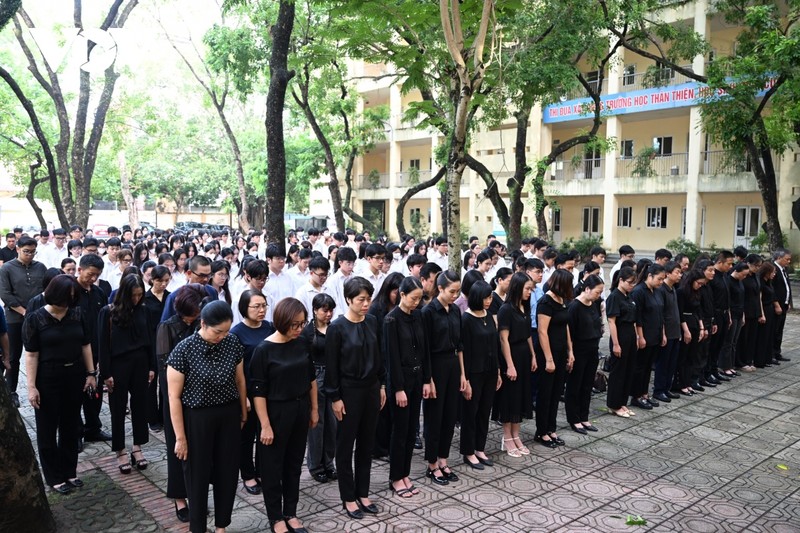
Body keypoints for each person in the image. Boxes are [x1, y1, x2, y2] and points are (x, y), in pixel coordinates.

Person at [167, 301, 247, 533]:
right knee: (197, 474)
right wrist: (180, 438)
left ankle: (222, 525)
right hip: (197, 418)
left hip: (229, 414)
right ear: (203, 324)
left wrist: (242, 411)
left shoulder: (232, 342)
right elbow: (174, 397)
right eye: (217, 331)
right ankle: (197, 527)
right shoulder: (184, 350)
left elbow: (240, 380)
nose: (222, 336)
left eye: (226, 331)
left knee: (228, 471)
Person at [24, 274, 98, 494]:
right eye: (66, 296)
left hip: (74, 375)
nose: (68, 301)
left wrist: (91, 373)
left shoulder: (77, 314)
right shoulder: (36, 318)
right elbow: (31, 355)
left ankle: (69, 471)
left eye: (72, 297)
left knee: (70, 426)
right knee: (47, 428)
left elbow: (86, 344)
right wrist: (31, 386)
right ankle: (54, 476)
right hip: (47, 378)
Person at [250, 298, 318, 533]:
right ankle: (275, 517)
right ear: (282, 321)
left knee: (293, 464)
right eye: (295, 325)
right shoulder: (264, 350)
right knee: (272, 468)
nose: (299, 329)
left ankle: (291, 512)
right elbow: (257, 392)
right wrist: (265, 425)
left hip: (300, 408)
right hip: (275, 413)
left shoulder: (301, 343)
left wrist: (314, 409)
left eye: (302, 324)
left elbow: (311, 379)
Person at [325, 277, 387, 520]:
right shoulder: (337, 328)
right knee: (345, 444)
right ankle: (348, 496)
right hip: (348, 391)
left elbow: (379, 356)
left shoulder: (372, 322)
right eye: (361, 299)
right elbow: (332, 367)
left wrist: (381, 385)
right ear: (348, 299)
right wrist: (335, 397)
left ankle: (363, 492)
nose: (365, 304)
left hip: (372, 387)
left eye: (368, 299)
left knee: (366, 442)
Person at [156, 284, 206, 522]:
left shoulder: (201, 325)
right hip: (175, 397)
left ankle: (197, 495)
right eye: (190, 314)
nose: (193, 319)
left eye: (196, 315)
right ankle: (179, 497)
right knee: (178, 447)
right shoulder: (166, 328)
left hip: (201, 397)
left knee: (199, 451)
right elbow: (165, 369)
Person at [98, 274, 155, 474]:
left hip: (140, 362)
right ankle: (120, 449)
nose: (136, 299)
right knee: (118, 407)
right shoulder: (108, 312)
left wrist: (151, 367)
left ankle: (138, 446)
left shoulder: (144, 311)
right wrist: (106, 373)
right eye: (133, 295)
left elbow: (151, 340)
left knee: (140, 406)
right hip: (118, 364)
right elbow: (103, 345)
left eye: (140, 295)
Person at [384, 276, 428, 497]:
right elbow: (391, 359)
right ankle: (395, 477)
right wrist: (398, 388)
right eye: (413, 298)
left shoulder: (419, 316)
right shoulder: (391, 320)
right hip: (400, 384)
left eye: (420, 299)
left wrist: (427, 380)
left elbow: (424, 350)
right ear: (402, 295)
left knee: (412, 431)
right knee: (400, 431)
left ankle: (405, 473)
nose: (417, 303)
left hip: (417, 379)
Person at [230, 290, 275, 495]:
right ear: (244, 308)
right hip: (247, 392)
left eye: (263, 305)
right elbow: (233, 369)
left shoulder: (269, 327)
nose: (261, 310)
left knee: (265, 433)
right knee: (246, 437)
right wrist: (243, 397)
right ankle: (247, 475)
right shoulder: (236, 333)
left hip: (269, 391)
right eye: (256, 306)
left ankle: (263, 470)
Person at [421, 271, 464, 485]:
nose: (455, 295)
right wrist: (427, 379)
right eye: (451, 291)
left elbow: (461, 344)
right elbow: (425, 349)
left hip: (453, 365)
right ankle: (431, 464)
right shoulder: (428, 312)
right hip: (435, 367)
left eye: (458, 291)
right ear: (440, 288)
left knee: (450, 416)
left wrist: (463, 375)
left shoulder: (455, 310)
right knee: (434, 417)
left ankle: (443, 459)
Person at [0, 235, 48, 408]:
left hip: (38, 317)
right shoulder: (7, 268)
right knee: (13, 357)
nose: (29, 255)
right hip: (14, 318)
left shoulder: (40, 267)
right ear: (18, 249)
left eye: (33, 252)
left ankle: (39, 386)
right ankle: (11, 391)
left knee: (40, 352)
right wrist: (24, 311)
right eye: (26, 251)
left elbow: (46, 289)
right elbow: (5, 293)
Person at [459, 280, 500, 468]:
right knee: (470, 413)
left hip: (490, 371)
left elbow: (495, 345)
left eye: (491, 297)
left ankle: (479, 448)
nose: (489, 301)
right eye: (486, 297)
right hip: (473, 373)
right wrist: (465, 379)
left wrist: (498, 371)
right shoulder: (466, 319)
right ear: (476, 297)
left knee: (485, 411)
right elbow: (463, 351)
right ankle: (468, 451)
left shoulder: (490, 316)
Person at [300, 293, 338, 484]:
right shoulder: (307, 331)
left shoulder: (335, 328)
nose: (328, 314)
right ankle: (316, 465)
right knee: (317, 423)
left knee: (332, 424)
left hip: (333, 376)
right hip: (316, 375)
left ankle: (329, 463)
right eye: (324, 310)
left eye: (331, 310)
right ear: (315, 310)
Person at [533, 269, 572, 448]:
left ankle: (551, 428)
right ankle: (541, 431)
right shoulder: (545, 302)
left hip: (561, 351)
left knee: (556, 392)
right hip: (547, 354)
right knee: (545, 393)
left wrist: (570, 351)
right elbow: (542, 331)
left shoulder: (562, 301)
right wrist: (548, 359)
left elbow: (565, 327)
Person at [565, 274, 603, 434]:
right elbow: (569, 333)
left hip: (592, 349)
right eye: (597, 292)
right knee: (575, 385)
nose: (599, 296)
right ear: (587, 289)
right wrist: (570, 353)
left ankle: (584, 416)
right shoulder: (574, 306)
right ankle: (574, 419)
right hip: (578, 350)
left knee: (588, 384)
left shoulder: (593, 304)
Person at [629, 264, 666, 410]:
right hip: (645, 335)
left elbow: (660, 314)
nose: (661, 282)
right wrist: (640, 337)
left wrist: (663, 334)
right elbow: (637, 317)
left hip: (656, 335)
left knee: (648, 367)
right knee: (640, 367)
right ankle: (636, 395)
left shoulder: (657, 291)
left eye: (663, 279)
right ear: (649, 276)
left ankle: (644, 393)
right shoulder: (639, 292)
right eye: (659, 279)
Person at [606, 267, 638, 417]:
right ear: (621, 280)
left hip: (630, 335)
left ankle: (622, 402)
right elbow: (612, 321)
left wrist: (637, 337)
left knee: (628, 370)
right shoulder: (614, 297)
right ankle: (614, 404)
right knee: (618, 372)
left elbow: (633, 320)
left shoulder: (628, 296)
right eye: (630, 282)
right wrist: (616, 343)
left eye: (634, 283)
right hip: (620, 334)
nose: (632, 286)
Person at [144, 265, 171, 431]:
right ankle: (152, 418)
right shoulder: (145, 299)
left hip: (167, 343)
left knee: (167, 381)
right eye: (160, 281)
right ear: (152, 280)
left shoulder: (170, 297)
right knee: (151, 382)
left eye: (166, 281)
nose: (163, 284)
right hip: (150, 342)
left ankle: (164, 415)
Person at [653, 261, 683, 403]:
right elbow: (661, 314)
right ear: (668, 273)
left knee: (672, 363)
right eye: (677, 272)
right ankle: (659, 390)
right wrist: (663, 333)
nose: (680, 275)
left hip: (675, 332)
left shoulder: (673, 289)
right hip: (666, 333)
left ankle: (666, 388)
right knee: (663, 363)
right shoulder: (661, 290)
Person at [676, 269, 707, 396]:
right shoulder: (682, 292)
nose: (699, 286)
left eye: (701, 284)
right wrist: (686, 330)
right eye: (698, 283)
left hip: (694, 322)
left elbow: (699, 310)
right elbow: (680, 312)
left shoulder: (697, 292)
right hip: (685, 324)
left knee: (692, 356)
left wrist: (701, 328)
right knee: (683, 355)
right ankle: (681, 383)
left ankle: (688, 383)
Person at [755, 262, 780, 368]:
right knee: (762, 336)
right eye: (772, 272)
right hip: (764, 309)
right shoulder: (760, 282)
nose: (774, 274)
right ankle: (759, 360)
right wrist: (762, 314)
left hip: (770, 309)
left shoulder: (769, 282)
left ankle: (767, 358)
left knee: (769, 335)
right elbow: (759, 299)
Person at [772, 248, 792, 363]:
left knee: (780, 330)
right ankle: (771, 353)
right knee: (774, 330)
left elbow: (786, 287)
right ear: (779, 258)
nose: (788, 261)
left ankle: (777, 352)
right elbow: (772, 289)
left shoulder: (784, 270)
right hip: (776, 305)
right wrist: (776, 304)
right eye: (787, 259)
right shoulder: (773, 269)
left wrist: (787, 301)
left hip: (783, 304)